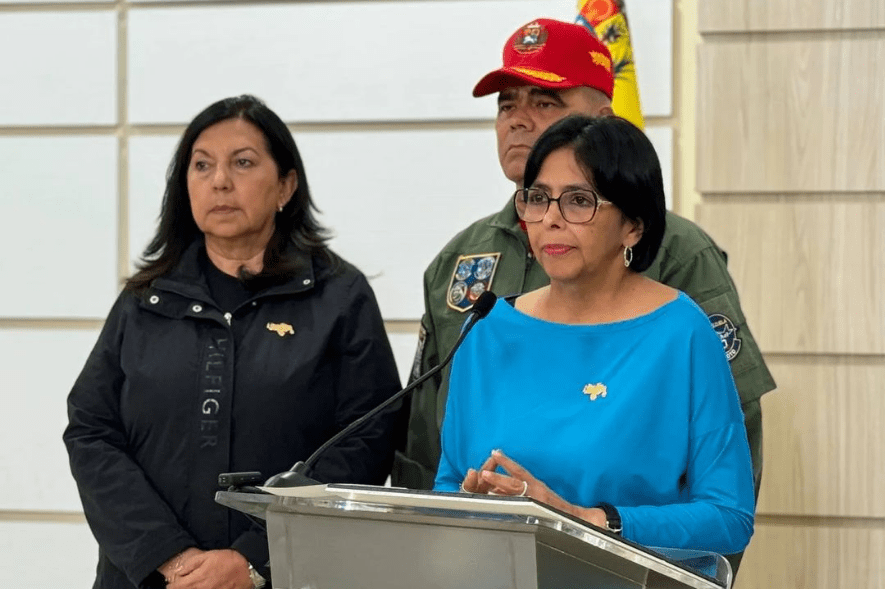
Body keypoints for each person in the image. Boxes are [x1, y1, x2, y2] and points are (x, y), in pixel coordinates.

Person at [63, 95, 402, 589]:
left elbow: (366, 442)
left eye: (242, 162)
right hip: (152, 578)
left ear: (285, 185)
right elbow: (91, 431)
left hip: (290, 573)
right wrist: (169, 557)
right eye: (202, 165)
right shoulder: (146, 299)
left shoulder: (338, 296)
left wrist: (254, 559)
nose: (220, 181)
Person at [435, 114, 756, 555]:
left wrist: (586, 520)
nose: (551, 219)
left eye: (579, 201)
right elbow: (449, 481)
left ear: (633, 225)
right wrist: (469, 502)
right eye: (538, 198)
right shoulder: (487, 329)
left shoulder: (681, 333)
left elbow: (728, 516)